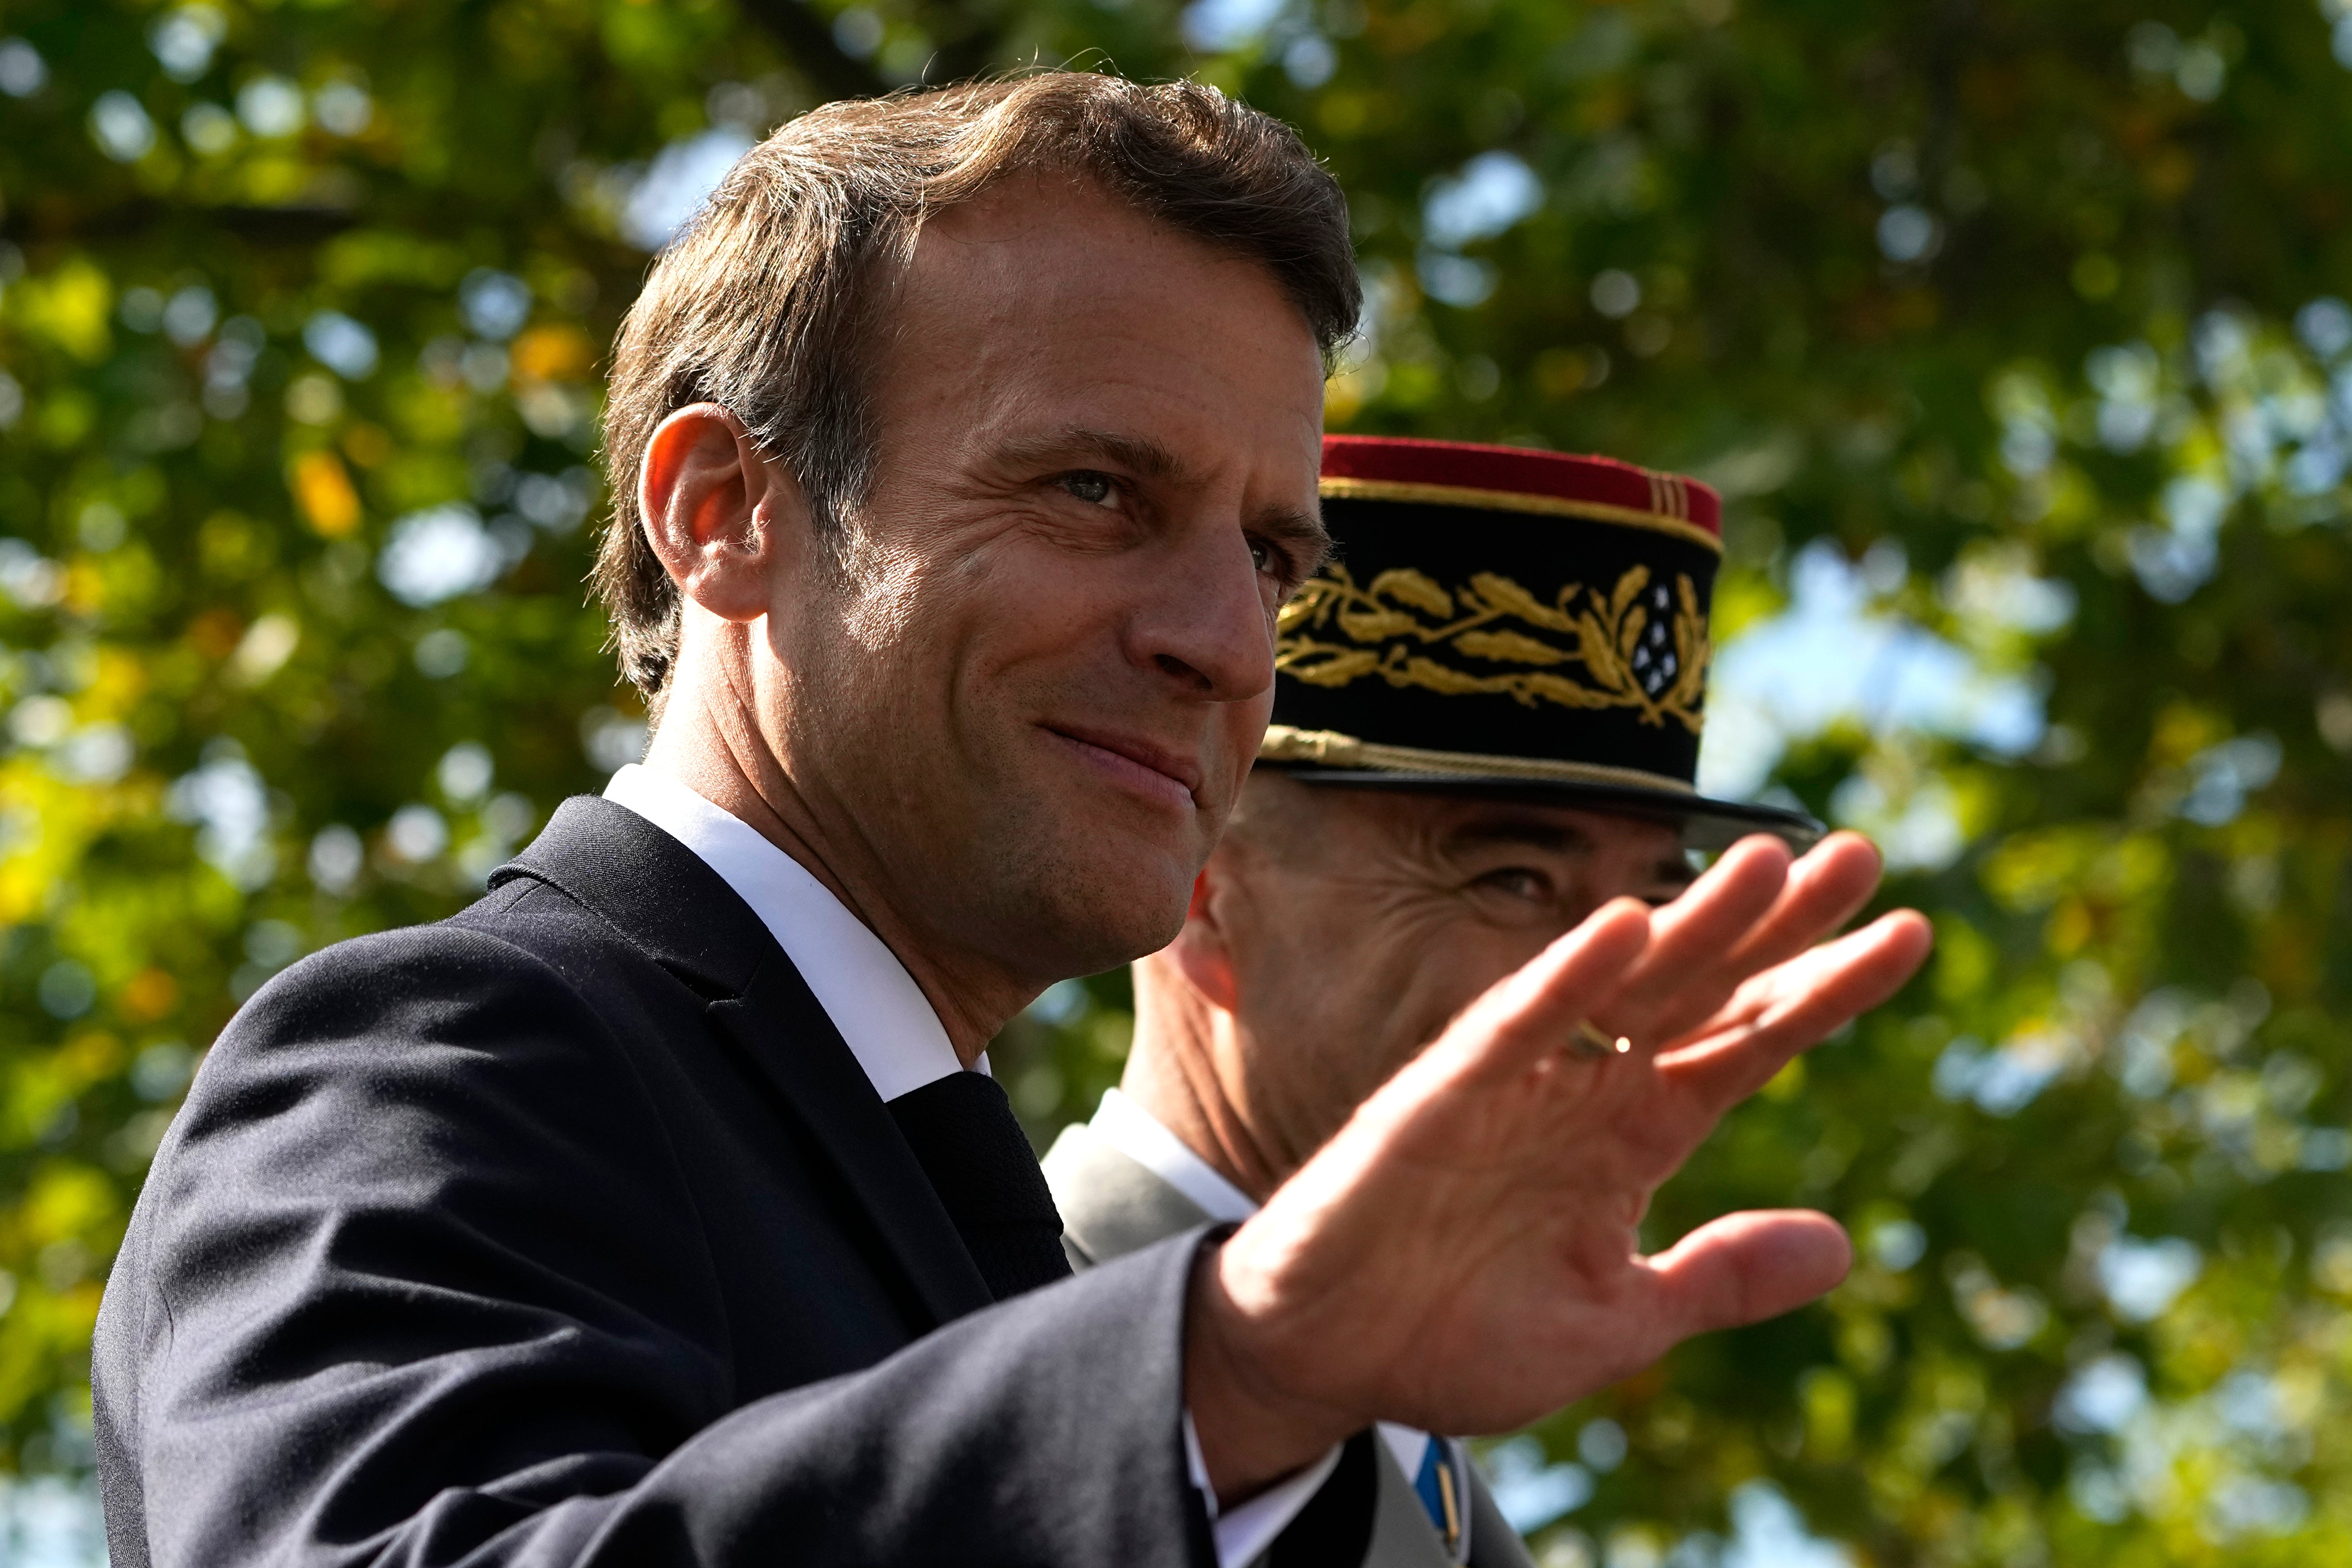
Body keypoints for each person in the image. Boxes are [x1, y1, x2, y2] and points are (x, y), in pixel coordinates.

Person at [93, 77, 1932, 1568]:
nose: (1225, 643)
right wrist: (1231, 1371)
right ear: (725, 507)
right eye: (1093, 491)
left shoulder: (955, 1207)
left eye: (1271, 557)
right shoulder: (435, 1059)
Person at [1044, 436, 1848, 1565]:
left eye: (1662, 903)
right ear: (1204, 895)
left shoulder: (1451, 1501)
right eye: (1514, 881)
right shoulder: (960, 1340)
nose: (1615, 984)